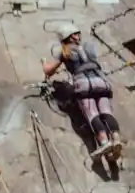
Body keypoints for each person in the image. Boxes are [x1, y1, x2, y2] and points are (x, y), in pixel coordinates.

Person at [43, 29, 122, 160]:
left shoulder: (65, 51)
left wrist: (43, 64)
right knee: (106, 112)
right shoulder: (89, 47)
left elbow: (48, 71)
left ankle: (104, 142)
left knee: (93, 114)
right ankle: (116, 139)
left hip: (84, 84)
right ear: (75, 35)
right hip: (101, 81)